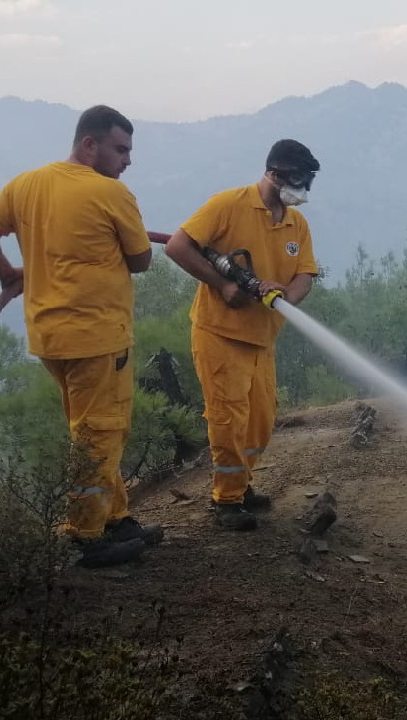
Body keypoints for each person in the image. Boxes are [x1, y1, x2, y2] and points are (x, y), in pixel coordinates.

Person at [0, 104, 162, 568]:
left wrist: (7, 273)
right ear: (88, 144)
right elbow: (141, 260)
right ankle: (86, 535)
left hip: (50, 337)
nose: (127, 161)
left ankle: (115, 518)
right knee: (100, 433)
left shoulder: (25, 184)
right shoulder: (111, 193)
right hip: (98, 338)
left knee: (91, 431)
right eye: (120, 149)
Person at [164, 139, 320, 531]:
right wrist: (223, 284)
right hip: (219, 334)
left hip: (261, 339)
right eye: (299, 179)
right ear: (275, 172)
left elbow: (305, 275)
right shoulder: (228, 205)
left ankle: (242, 483)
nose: (302, 189)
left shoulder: (295, 224)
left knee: (260, 421)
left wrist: (287, 295)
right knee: (228, 419)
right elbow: (178, 247)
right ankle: (227, 500)